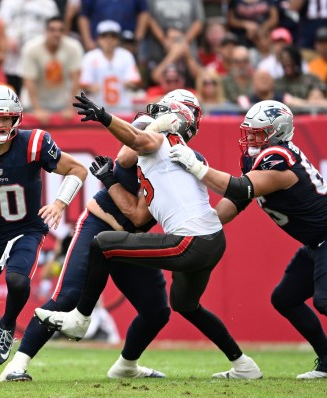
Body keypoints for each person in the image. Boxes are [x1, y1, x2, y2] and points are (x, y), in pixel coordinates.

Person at [35, 92, 263, 380]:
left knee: (103, 243)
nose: (139, 127)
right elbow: (140, 213)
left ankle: (80, 318)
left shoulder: (160, 141)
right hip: (212, 239)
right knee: (186, 305)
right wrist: (111, 179)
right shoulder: (177, 153)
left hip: (189, 242)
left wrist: (106, 118)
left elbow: (138, 141)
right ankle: (244, 365)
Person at [168, 100, 327, 379]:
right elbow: (236, 201)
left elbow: (242, 186)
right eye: (249, 132)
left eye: (258, 134)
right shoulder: (260, 157)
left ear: (278, 132)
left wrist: (196, 168)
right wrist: (203, 223)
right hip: (316, 242)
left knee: (324, 301)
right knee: (286, 298)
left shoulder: (280, 157)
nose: (250, 140)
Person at [0, 85, 87, 384]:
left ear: (16, 120)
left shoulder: (34, 142)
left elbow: (77, 170)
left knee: (17, 279)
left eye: (6, 118)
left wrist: (60, 202)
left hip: (26, 227)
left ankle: (8, 325)